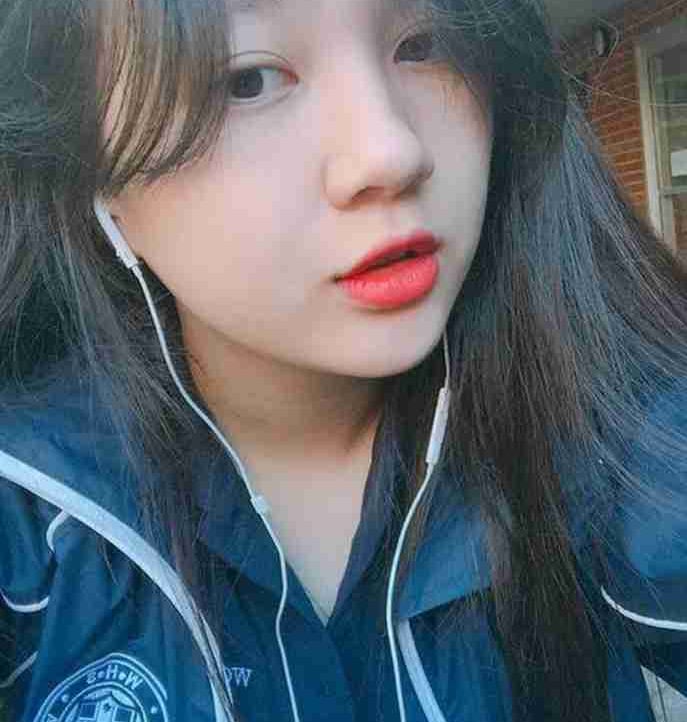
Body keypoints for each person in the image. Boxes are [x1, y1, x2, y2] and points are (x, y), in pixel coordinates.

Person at [1, 0, 686, 720]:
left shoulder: (607, 429)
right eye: (247, 80)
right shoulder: (32, 511)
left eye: (424, 44)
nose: (391, 152)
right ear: (93, 173)